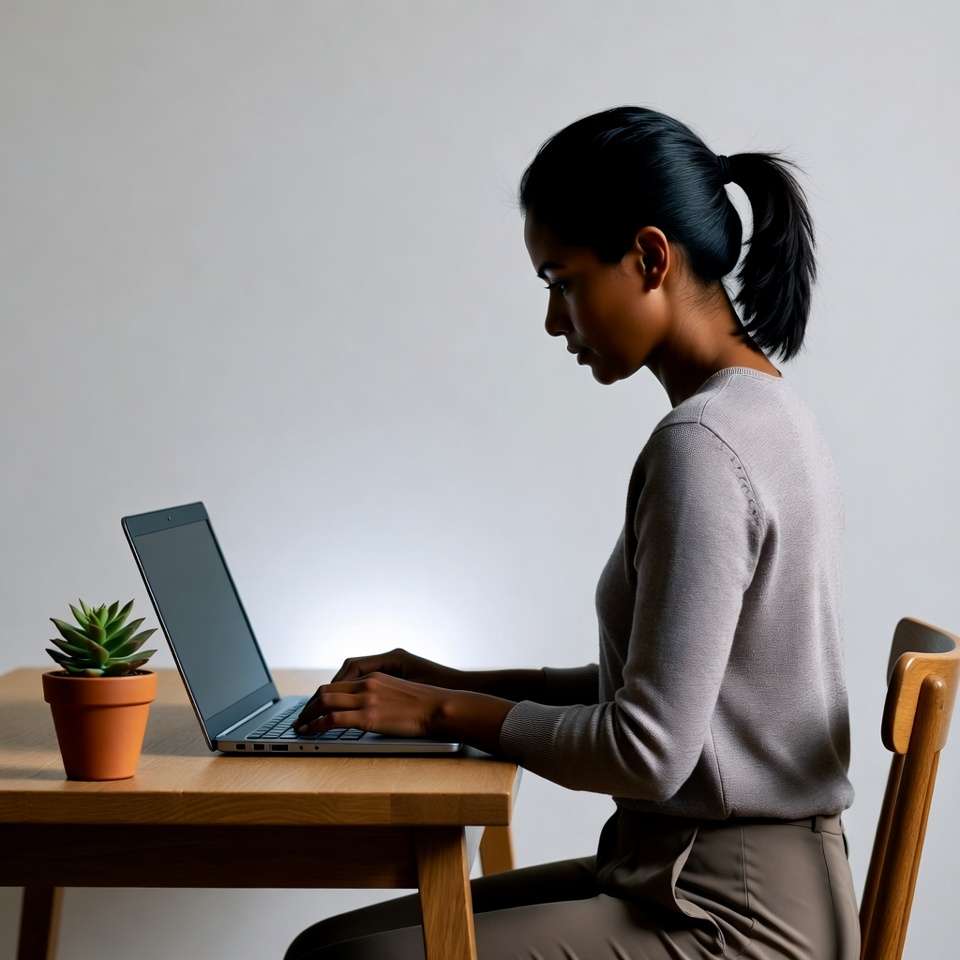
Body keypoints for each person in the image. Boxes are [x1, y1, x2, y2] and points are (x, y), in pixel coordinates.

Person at [284, 105, 858, 960]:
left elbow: (647, 750)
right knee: (334, 945)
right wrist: (443, 679)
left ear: (650, 258)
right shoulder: (764, 411)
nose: (555, 322)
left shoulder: (704, 446)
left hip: (735, 915)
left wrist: (438, 709)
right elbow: (669, 692)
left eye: (562, 282)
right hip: (684, 870)